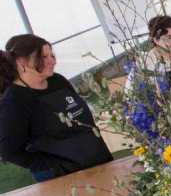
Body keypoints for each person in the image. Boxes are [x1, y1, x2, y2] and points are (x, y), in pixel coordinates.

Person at [0, 34, 112, 182]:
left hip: (97, 157)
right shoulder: (15, 100)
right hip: (62, 175)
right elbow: (8, 150)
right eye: (43, 57)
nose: (52, 61)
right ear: (21, 62)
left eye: (51, 55)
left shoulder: (57, 80)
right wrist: (50, 166)